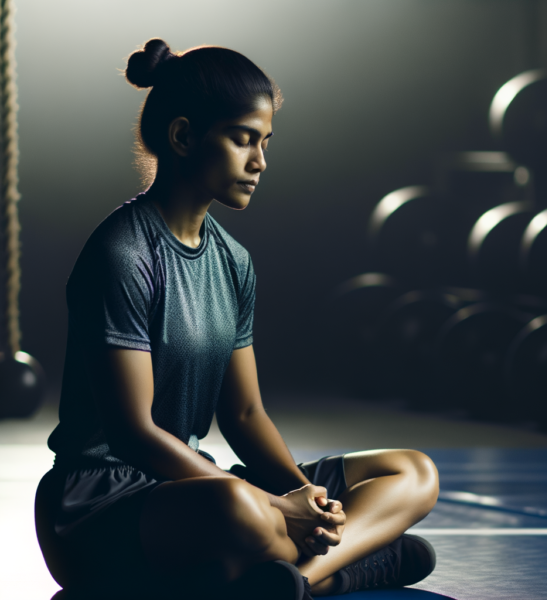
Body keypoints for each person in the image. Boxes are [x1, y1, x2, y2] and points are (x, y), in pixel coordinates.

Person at [34, 39, 439, 600]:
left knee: (412, 471)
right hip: (100, 508)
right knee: (238, 508)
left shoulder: (233, 261)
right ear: (183, 137)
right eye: (243, 139)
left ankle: (297, 576)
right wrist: (276, 507)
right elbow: (134, 433)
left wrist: (309, 503)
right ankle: (354, 565)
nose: (259, 162)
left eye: (265, 142)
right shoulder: (121, 253)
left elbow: (245, 414)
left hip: (191, 488)